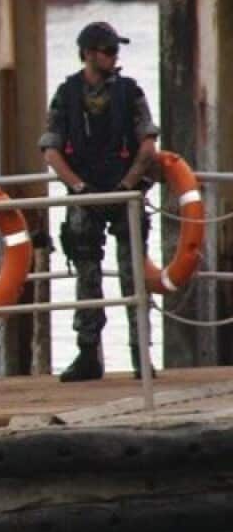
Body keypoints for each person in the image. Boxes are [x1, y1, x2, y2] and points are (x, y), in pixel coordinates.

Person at [41, 22, 159, 382]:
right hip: (86, 194)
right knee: (86, 276)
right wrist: (79, 189)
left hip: (125, 192)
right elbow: (50, 150)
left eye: (115, 50)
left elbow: (148, 145)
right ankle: (87, 354)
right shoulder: (66, 94)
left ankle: (142, 357)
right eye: (108, 50)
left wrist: (127, 184)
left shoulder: (130, 92)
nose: (114, 56)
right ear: (88, 53)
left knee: (132, 277)